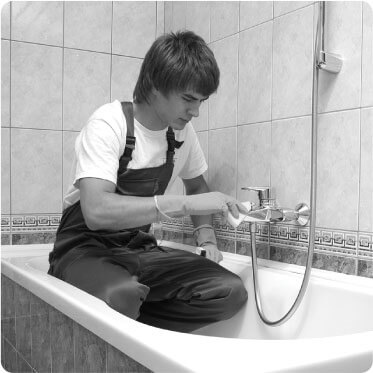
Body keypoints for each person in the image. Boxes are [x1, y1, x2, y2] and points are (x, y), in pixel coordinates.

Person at [48, 30, 249, 333]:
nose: (196, 112)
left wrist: (207, 237)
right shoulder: (108, 124)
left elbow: (197, 186)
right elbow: (96, 210)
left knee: (229, 291)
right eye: (188, 99)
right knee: (123, 294)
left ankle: (140, 332)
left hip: (138, 250)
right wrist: (184, 204)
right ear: (155, 86)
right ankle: (127, 314)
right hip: (84, 249)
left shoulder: (181, 134)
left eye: (201, 101)